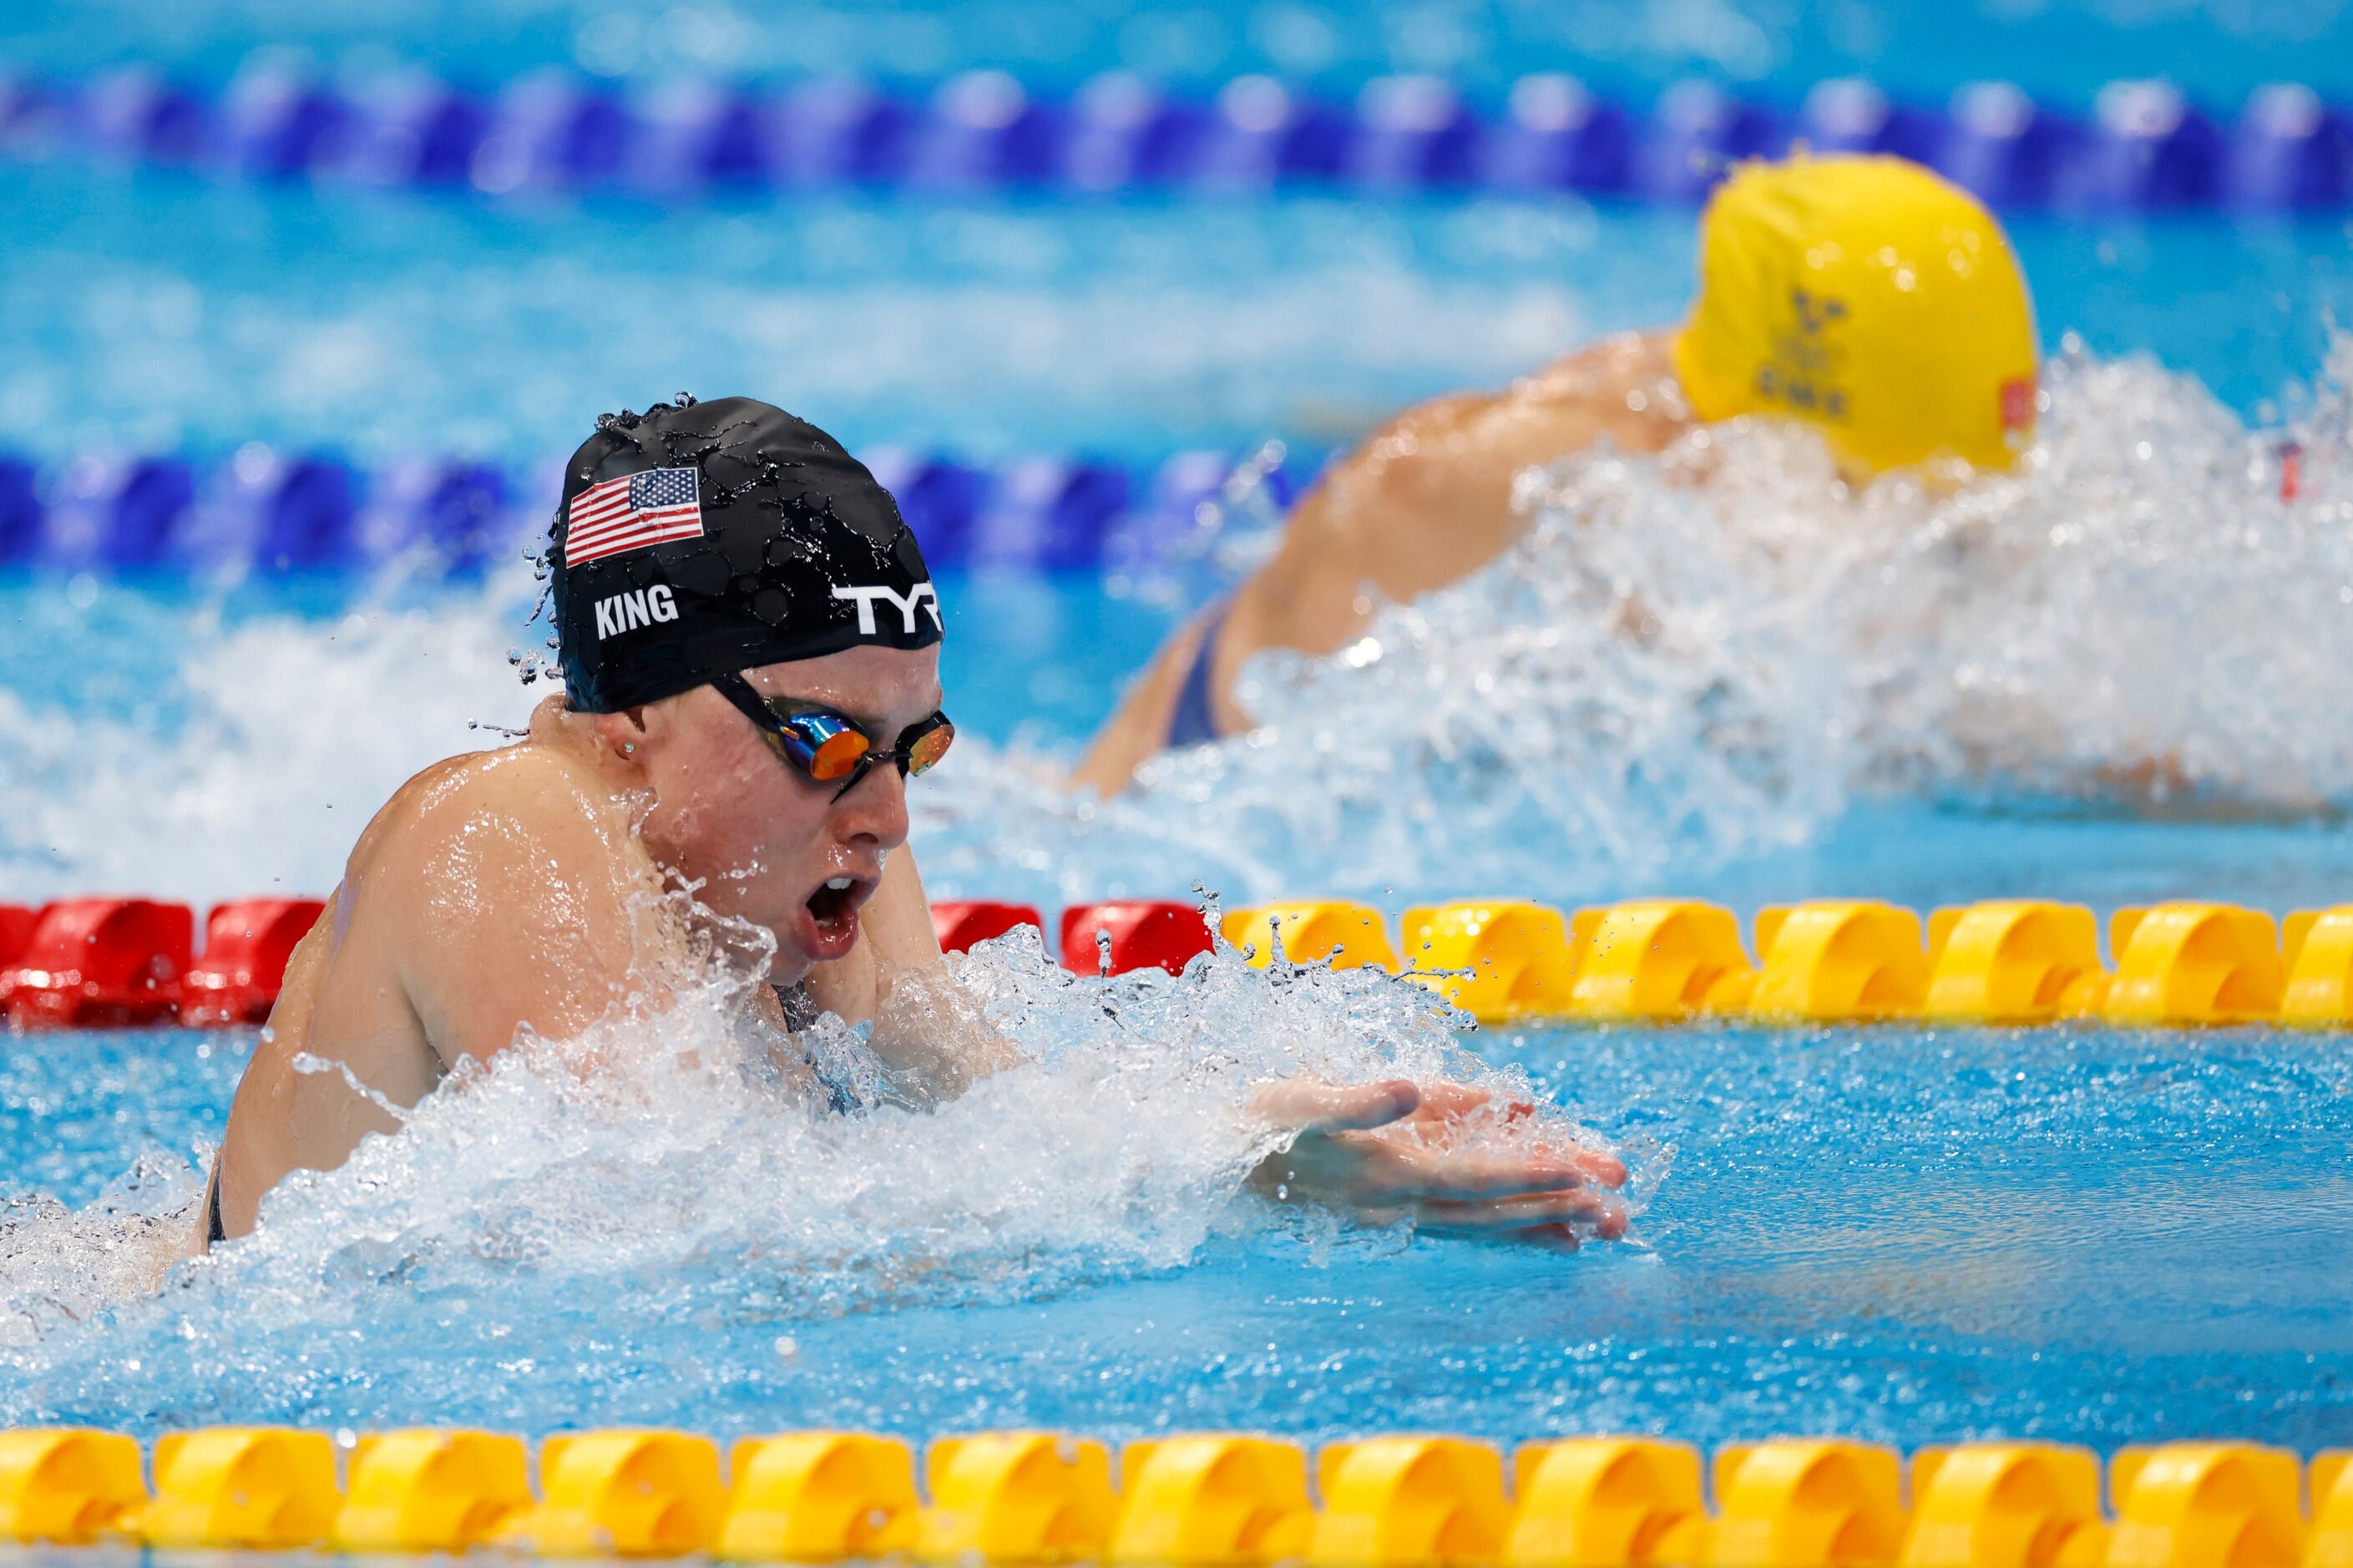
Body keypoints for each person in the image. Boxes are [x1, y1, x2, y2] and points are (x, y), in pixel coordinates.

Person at [201, 396, 1627, 1251]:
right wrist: (1226, 1185)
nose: (885, 807)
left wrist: (1274, 1136)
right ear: (631, 721)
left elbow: (993, 1112)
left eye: (913, 743)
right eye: (822, 739)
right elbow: (692, 1246)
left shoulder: (814, 848)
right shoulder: (503, 830)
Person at [1071, 153, 2040, 794]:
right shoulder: (1481, 484)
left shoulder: (1759, 458)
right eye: (1862, 487)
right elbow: (1262, 788)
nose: (1905, 526)